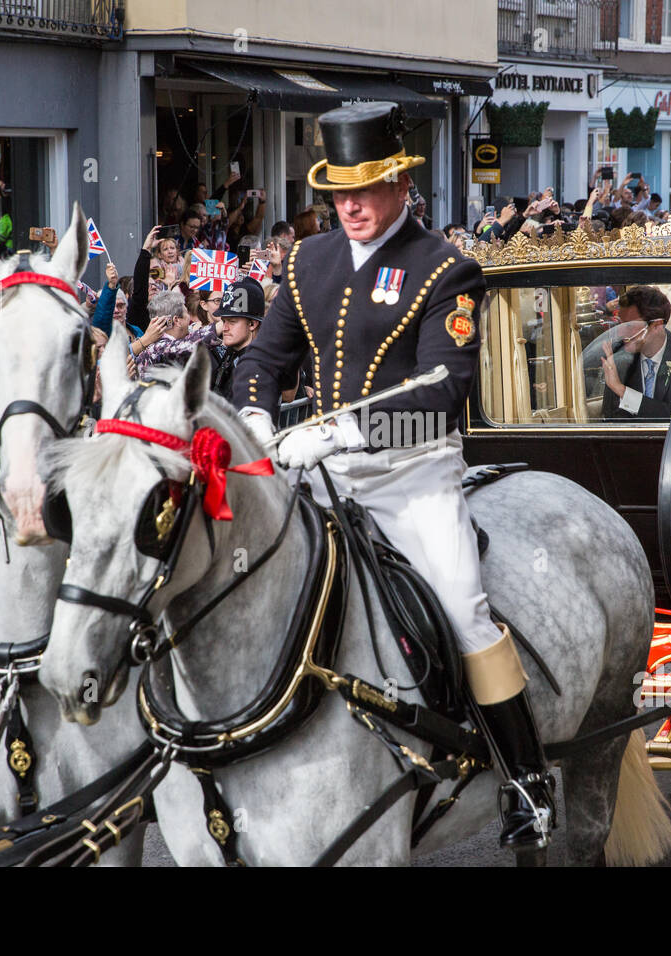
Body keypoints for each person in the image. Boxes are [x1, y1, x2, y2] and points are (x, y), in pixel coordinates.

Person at [233, 101, 555, 851]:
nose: (348, 205)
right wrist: (253, 418)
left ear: (401, 183)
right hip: (318, 470)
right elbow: (263, 359)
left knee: (463, 609)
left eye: (364, 189)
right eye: (337, 191)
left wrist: (345, 429)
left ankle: (525, 778)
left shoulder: (446, 266)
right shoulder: (307, 260)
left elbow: (445, 392)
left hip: (412, 474)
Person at [600, 285, 671, 420]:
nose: (621, 332)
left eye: (629, 326)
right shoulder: (618, 358)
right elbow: (609, 420)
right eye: (620, 324)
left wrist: (622, 391)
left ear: (656, 326)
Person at [208, 276, 263, 400]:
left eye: (232, 322)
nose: (225, 328)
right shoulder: (232, 352)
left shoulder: (258, 364)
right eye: (224, 321)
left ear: (252, 324)